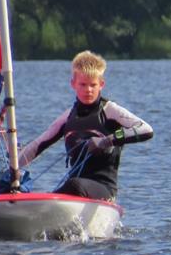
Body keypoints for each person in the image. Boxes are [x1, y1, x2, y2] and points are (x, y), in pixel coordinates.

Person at [16, 50, 153, 201]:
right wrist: (11, 169)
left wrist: (107, 140)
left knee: (74, 185)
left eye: (93, 85)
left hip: (103, 189)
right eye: (83, 84)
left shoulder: (110, 110)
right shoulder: (67, 117)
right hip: (73, 190)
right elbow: (37, 145)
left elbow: (146, 129)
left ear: (101, 84)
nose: (88, 90)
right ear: (73, 84)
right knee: (19, 189)